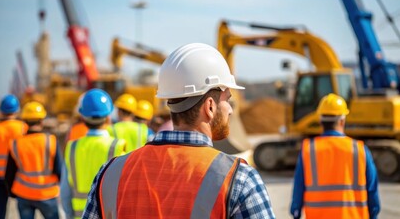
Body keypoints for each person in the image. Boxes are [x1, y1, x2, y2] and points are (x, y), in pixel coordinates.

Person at [83, 43, 276, 218]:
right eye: (228, 99)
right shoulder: (239, 179)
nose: (231, 109)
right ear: (210, 106)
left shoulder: (109, 174)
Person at [290, 93, 380, 219]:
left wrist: (296, 211)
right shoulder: (359, 149)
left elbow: (298, 190)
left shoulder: (309, 149)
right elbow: (372, 193)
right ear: (342, 120)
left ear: (320, 121)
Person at [63, 89, 126, 219]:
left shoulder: (72, 147)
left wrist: (69, 215)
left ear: (83, 117)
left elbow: (65, 191)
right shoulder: (117, 146)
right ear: (108, 117)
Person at [5, 101, 63, 219]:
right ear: (42, 121)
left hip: (24, 194)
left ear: (24, 121)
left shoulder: (16, 143)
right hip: (47, 195)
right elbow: (59, 169)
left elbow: (9, 172)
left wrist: (11, 192)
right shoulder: (51, 140)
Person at [0, 94, 27, 219]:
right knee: (23, 210)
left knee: (1, 210)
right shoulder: (23, 127)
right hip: (18, 175)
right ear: (17, 110)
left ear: (1, 111)